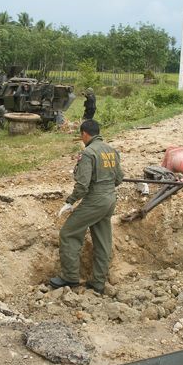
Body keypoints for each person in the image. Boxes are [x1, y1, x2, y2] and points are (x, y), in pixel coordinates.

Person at [49, 120, 123, 294]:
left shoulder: (88, 153)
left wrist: (70, 201)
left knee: (68, 233)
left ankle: (70, 277)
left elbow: (82, 185)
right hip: (110, 199)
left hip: (95, 200)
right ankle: (98, 282)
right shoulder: (112, 151)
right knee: (103, 241)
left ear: (84, 134)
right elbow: (119, 179)